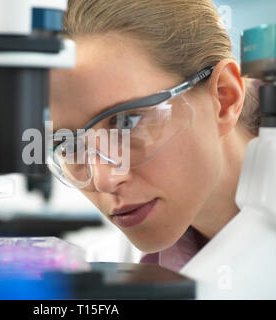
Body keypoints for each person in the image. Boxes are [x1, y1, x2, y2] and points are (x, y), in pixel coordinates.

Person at [48, 0, 261, 272]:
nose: (103, 180)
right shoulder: (112, 265)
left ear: (224, 97)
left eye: (128, 122)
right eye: (69, 145)